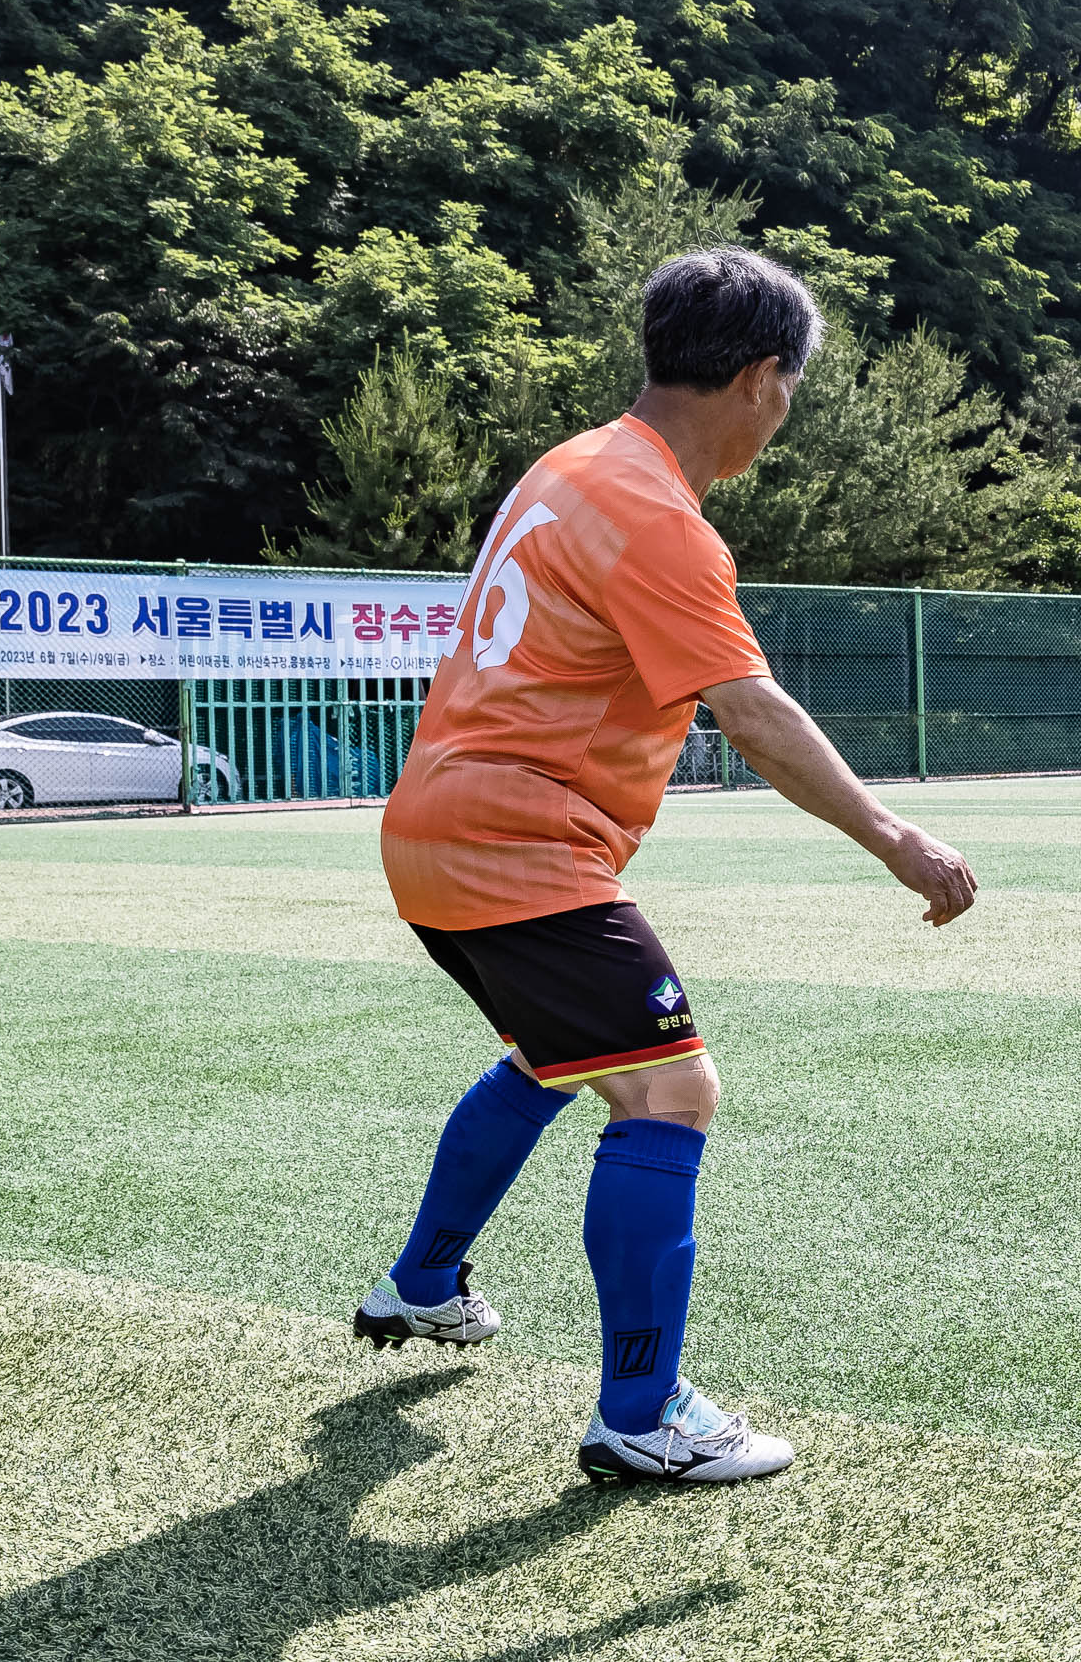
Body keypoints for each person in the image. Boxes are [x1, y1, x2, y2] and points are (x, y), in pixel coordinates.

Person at [357, 249, 979, 1485]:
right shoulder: (657, 514)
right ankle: (642, 1413)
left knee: (556, 1056)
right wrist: (901, 842)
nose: (784, 411)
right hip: (518, 846)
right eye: (790, 387)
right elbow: (750, 713)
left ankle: (421, 1282)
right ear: (759, 380)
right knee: (670, 1093)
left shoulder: (569, 466)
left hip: (431, 830)